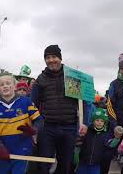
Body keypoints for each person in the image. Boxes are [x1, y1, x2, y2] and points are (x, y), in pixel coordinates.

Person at [31, 45, 87, 174]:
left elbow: (82, 102)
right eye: (47, 57)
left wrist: (84, 123)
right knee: (44, 164)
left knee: (65, 164)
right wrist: (34, 128)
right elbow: (32, 105)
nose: (51, 60)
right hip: (47, 128)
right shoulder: (41, 79)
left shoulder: (72, 76)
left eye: (54, 57)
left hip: (69, 128)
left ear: (60, 58)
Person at [0, 75, 42, 174]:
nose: (5, 86)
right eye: (1, 84)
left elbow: (39, 120)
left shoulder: (26, 102)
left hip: (23, 150)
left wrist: (33, 130)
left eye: (8, 83)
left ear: (14, 86)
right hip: (4, 151)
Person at [75, 108, 122, 174]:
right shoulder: (87, 131)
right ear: (93, 121)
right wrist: (80, 135)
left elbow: (110, 144)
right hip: (83, 162)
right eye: (97, 120)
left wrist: (117, 138)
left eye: (102, 121)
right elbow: (79, 144)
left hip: (96, 165)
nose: (99, 122)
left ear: (104, 122)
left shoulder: (106, 134)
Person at [107, 53, 123, 173]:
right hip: (116, 128)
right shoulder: (114, 84)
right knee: (106, 155)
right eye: (121, 68)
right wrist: (115, 126)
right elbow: (109, 106)